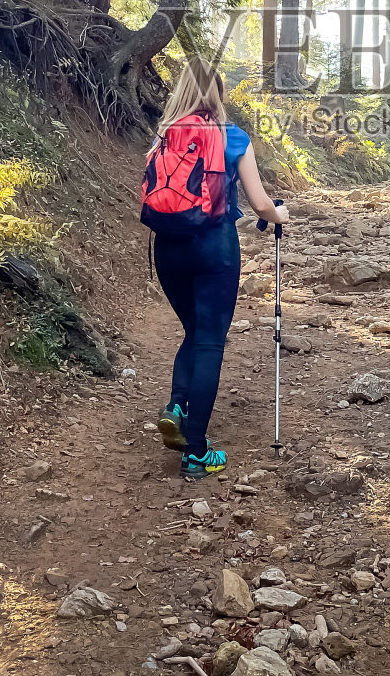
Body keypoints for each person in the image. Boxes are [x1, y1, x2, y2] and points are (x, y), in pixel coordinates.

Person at [147, 57, 288, 479]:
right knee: (209, 341)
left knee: (194, 331)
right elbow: (261, 204)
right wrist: (281, 216)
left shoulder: (162, 137)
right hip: (214, 250)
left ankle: (176, 405)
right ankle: (196, 453)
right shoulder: (233, 137)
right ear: (218, 96)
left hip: (168, 248)